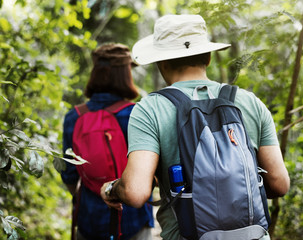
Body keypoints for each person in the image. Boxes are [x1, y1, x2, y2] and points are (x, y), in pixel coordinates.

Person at [100, 15, 290, 240]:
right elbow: (279, 185)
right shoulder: (250, 102)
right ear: (208, 57)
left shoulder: (150, 109)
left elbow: (135, 192)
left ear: (162, 62)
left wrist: (112, 189)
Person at [61, 43, 154, 240]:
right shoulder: (135, 113)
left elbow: (69, 174)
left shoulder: (74, 116)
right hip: (133, 219)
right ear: (125, 74)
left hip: (89, 220)